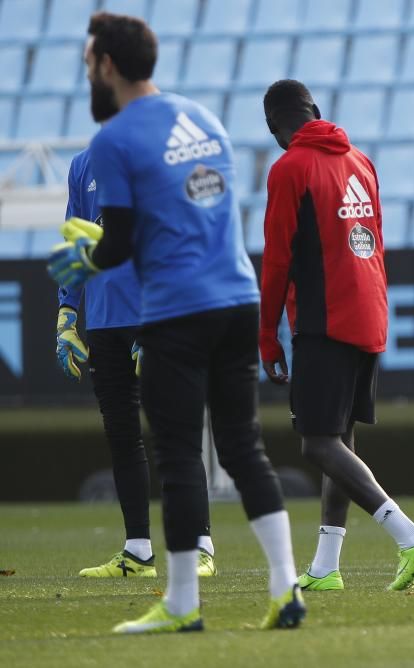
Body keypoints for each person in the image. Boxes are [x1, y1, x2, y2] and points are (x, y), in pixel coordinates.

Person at [48, 12, 304, 632]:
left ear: (107, 65)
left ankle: (183, 605)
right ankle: (285, 589)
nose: (87, 72)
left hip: (176, 308)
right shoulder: (203, 119)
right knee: (244, 447)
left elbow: (121, 244)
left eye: (88, 62)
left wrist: (82, 258)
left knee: (179, 454)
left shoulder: (111, 141)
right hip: (236, 296)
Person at [258, 79, 414, 592]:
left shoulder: (290, 167)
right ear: (314, 109)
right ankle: (325, 566)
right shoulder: (361, 161)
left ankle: (409, 537)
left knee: (317, 444)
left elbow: (277, 259)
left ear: (275, 127)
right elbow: (376, 242)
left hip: (324, 318)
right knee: (340, 440)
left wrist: (268, 336)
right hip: (369, 312)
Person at [57, 110, 216, 582]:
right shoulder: (83, 165)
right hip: (104, 321)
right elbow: (74, 242)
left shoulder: (159, 161)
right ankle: (138, 550)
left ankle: (202, 546)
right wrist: (67, 313)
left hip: (157, 318)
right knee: (122, 435)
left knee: (177, 435)